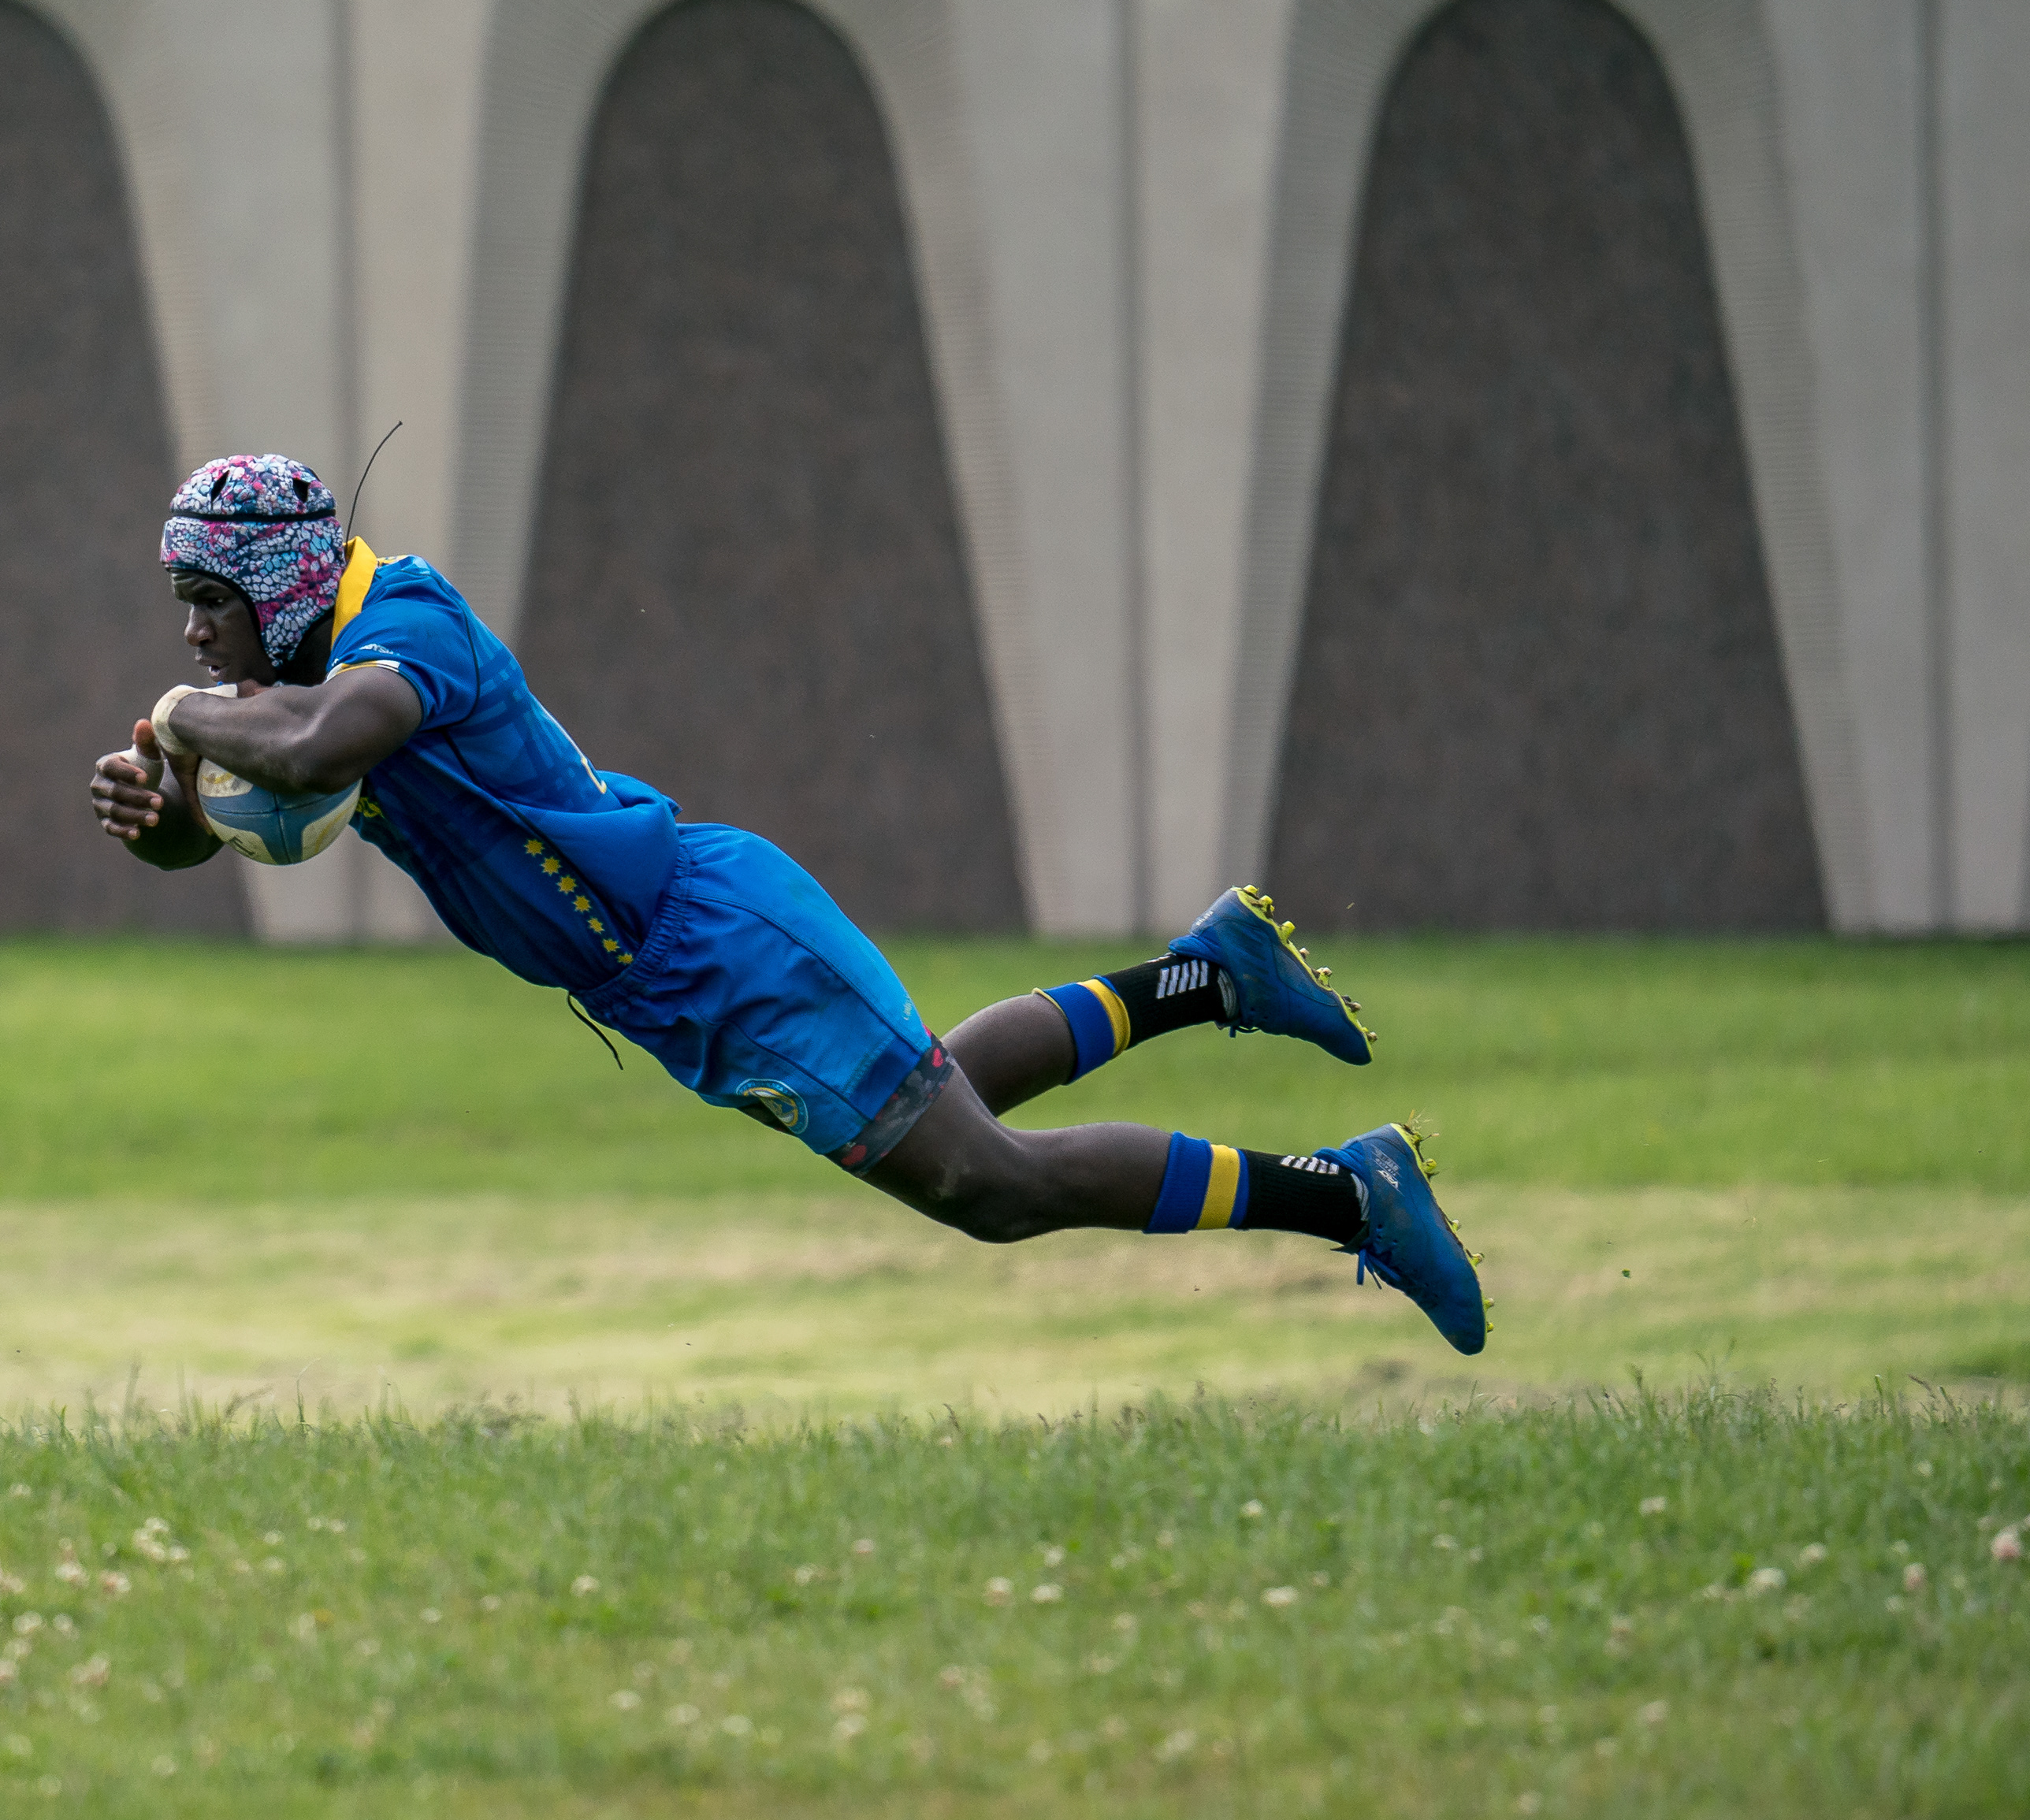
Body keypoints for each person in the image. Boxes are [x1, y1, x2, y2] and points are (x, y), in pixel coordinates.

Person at [87, 455, 1487, 1354]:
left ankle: (1347, 1194)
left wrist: (180, 718)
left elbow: (323, 752)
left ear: (274, 577)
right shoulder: (299, 676)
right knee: (954, 1105)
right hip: (666, 980)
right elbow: (250, 818)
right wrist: (169, 825)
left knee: (986, 1188)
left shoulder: (404, 629)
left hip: (715, 940)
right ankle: (1207, 976)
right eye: (181, 608)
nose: (194, 633)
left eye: (207, 598)